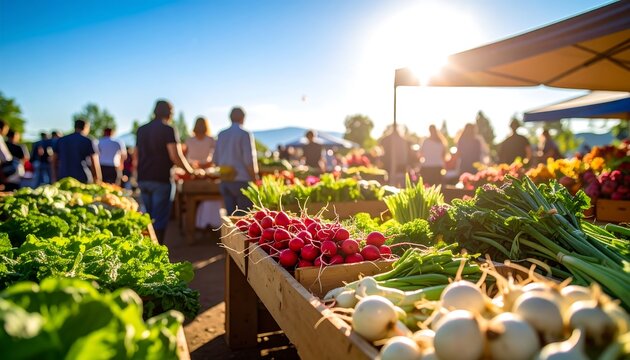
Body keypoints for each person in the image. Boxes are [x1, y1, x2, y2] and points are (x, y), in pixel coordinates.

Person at [136, 99, 197, 245]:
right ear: (169, 113)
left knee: (148, 218)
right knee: (159, 219)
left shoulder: (141, 129)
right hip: (161, 178)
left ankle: (146, 249)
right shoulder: (168, 129)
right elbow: (175, 156)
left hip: (143, 177)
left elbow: (136, 156)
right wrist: (190, 171)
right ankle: (157, 250)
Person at [213, 107, 258, 216]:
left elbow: (215, 160)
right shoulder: (244, 134)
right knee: (243, 218)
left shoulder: (221, 134)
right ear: (243, 118)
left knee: (230, 217)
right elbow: (249, 160)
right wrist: (255, 179)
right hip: (241, 180)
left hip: (225, 180)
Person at [185, 116, 221, 230]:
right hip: (207, 173)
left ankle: (200, 222)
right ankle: (207, 222)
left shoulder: (189, 140)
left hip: (193, 173)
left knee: (191, 198)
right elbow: (216, 158)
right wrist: (205, 165)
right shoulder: (210, 140)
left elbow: (186, 159)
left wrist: (195, 165)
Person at [52, 119, 101, 184]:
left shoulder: (61, 140)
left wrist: (54, 177)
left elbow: (53, 160)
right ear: (85, 127)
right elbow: (94, 162)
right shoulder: (88, 140)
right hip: (82, 177)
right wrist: (98, 179)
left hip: (63, 177)